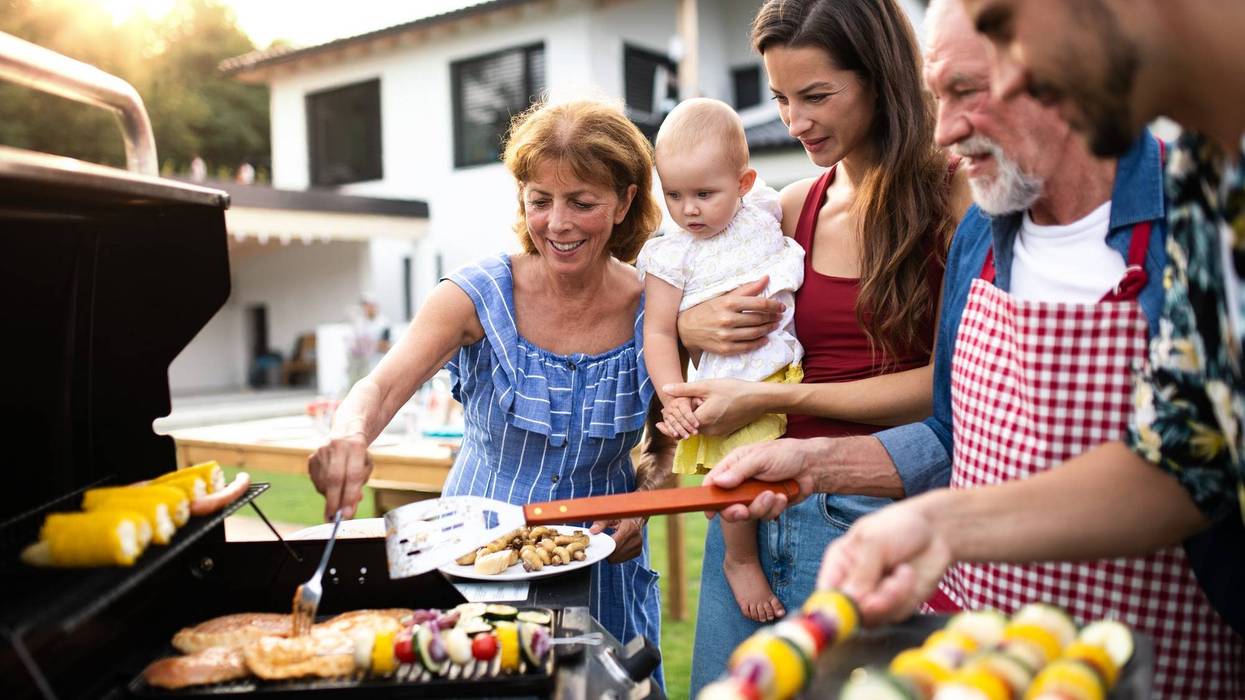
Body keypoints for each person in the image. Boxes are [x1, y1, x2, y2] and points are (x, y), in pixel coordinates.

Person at [719, 0, 1245, 663]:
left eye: (967, 89)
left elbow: (1188, 475)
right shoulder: (982, 236)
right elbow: (1173, 460)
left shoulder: (1186, 204)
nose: (941, 132)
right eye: (937, 95)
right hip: (991, 657)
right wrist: (819, 464)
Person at [307, 98, 673, 686]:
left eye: (582, 202)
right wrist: (348, 437)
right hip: (475, 562)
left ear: (625, 201)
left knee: (606, 696)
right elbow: (377, 387)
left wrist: (641, 507)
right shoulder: (476, 295)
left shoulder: (656, 309)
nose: (558, 223)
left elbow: (664, 445)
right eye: (539, 201)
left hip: (604, 573)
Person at [681, 0, 967, 692]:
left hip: (864, 515)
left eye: (814, 96)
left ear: (879, 77)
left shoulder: (952, 197)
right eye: (778, 97)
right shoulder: (786, 207)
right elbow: (680, 290)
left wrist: (771, 395)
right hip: (747, 513)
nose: (793, 122)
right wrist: (693, 326)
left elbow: (952, 386)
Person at [638, 97, 805, 622]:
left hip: (789, 369)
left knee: (778, 482)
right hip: (729, 380)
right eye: (673, 194)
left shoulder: (767, 211)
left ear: (745, 183)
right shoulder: (671, 253)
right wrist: (673, 397)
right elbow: (659, 333)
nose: (688, 209)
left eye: (704, 194)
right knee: (735, 476)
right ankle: (740, 559)